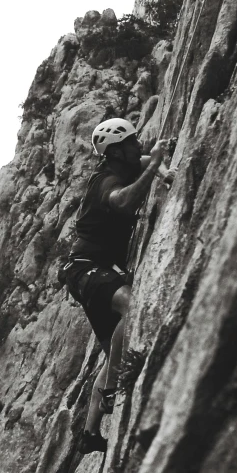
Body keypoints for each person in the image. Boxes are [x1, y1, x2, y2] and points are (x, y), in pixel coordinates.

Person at [63, 118, 176, 454]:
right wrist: (155, 164)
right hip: (87, 270)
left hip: (89, 272)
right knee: (133, 305)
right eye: (132, 141)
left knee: (116, 351)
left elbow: (145, 162)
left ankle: (90, 435)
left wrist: (163, 170)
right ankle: (112, 388)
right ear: (115, 152)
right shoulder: (107, 181)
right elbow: (124, 201)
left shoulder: (125, 165)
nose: (138, 144)